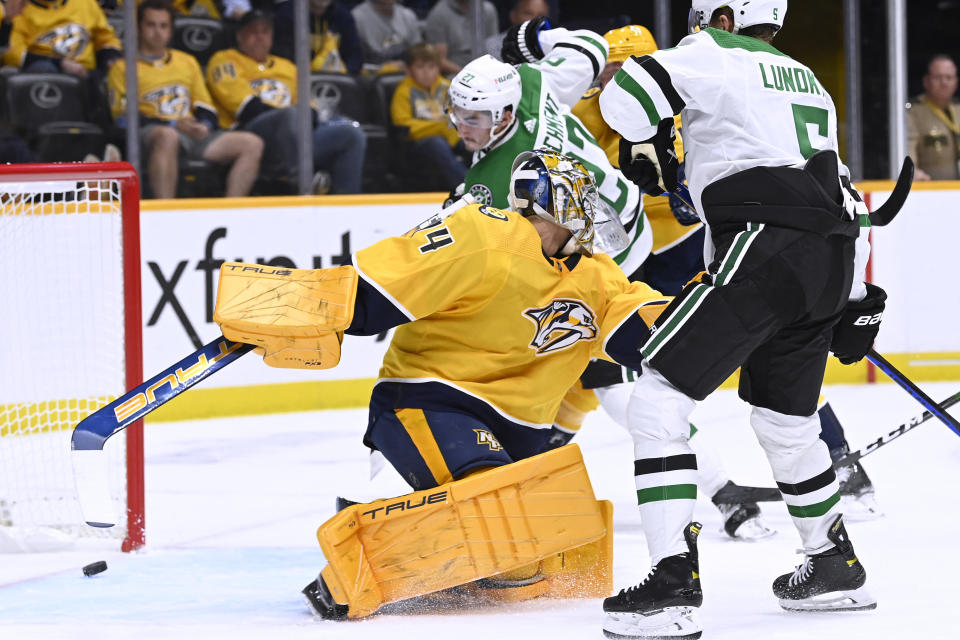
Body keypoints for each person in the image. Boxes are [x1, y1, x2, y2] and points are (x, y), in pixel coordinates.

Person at [212, 149, 672, 620]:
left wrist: (717, 320)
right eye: (581, 201)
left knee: (522, 559)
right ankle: (357, 567)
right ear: (552, 203)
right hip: (433, 400)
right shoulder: (481, 234)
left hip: (522, 431)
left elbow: (645, 332)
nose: (590, 216)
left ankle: (389, 509)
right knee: (491, 507)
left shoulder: (598, 277)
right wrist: (287, 307)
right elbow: (376, 295)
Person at [598, 2, 888, 637]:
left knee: (654, 400)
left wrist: (646, 139)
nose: (699, 25)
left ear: (724, 14)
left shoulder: (710, 52)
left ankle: (672, 585)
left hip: (760, 243)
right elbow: (837, 186)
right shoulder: (807, 78)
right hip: (831, 256)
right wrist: (858, 293)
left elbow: (625, 96)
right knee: (788, 421)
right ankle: (831, 565)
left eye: (704, 14)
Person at [106, 0, 263, 199]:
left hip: (189, 135)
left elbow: (205, 107)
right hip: (151, 137)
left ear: (171, 30)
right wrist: (172, 124)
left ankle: (231, 212)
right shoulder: (122, 68)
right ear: (139, 28)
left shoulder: (187, 62)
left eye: (163, 26)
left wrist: (204, 125)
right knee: (167, 136)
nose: (157, 32)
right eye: (151, 25)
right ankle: (165, 211)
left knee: (251, 143)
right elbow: (122, 119)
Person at [205, 9, 366, 194]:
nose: (260, 36)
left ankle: (346, 205)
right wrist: (292, 116)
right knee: (290, 114)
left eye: (265, 31)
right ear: (240, 36)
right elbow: (247, 108)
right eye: (253, 31)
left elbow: (310, 109)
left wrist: (298, 120)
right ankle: (302, 183)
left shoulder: (288, 67)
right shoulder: (224, 61)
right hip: (252, 134)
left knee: (352, 135)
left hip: (294, 136)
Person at [390, 42, 469, 191]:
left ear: (439, 68)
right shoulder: (404, 90)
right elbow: (403, 124)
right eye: (420, 67)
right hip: (421, 141)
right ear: (408, 70)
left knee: (474, 143)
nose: (427, 72)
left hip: (452, 136)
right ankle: (465, 187)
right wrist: (437, 128)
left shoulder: (448, 86)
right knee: (437, 145)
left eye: (431, 67)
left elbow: (461, 115)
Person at [2, 0, 121, 75]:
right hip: (43, 76)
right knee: (43, 69)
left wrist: (109, 58)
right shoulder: (18, 6)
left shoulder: (86, 3)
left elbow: (107, 38)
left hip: (85, 74)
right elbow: (12, 55)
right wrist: (59, 63)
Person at [272, 0, 364, 75]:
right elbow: (280, 56)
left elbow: (354, 54)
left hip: (336, 78)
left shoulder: (343, 15)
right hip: (297, 79)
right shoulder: (286, 14)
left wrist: (346, 75)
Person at [907, 54, 959, 180]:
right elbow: (908, 149)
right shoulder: (914, 113)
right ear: (926, 81)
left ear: (956, 82)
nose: (944, 83)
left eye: (949, 77)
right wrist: (912, 172)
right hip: (930, 191)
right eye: (938, 77)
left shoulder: (957, 109)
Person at [424, 0, 498, 76]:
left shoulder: (488, 9)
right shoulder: (438, 14)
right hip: (455, 74)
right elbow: (440, 60)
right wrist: (468, 75)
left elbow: (493, 48)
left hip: (486, 70)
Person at [351, 0, 422, 71]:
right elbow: (353, 63)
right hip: (371, 76)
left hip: (408, 74)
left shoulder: (408, 16)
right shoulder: (356, 19)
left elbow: (419, 55)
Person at [483, 0, 549, 60]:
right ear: (513, 15)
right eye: (528, 14)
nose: (534, 20)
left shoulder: (552, 45)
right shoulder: (491, 46)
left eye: (541, 15)